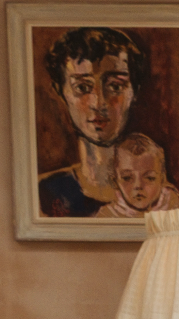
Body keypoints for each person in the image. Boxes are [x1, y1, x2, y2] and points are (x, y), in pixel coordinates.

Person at [38, 27, 148, 218]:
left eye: (115, 86)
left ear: (134, 91)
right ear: (61, 92)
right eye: (82, 87)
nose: (98, 103)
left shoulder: (159, 195)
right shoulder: (43, 194)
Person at [97, 133, 179, 218]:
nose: (138, 185)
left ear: (162, 179)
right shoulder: (108, 215)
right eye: (127, 178)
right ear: (115, 182)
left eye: (149, 178)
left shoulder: (174, 205)